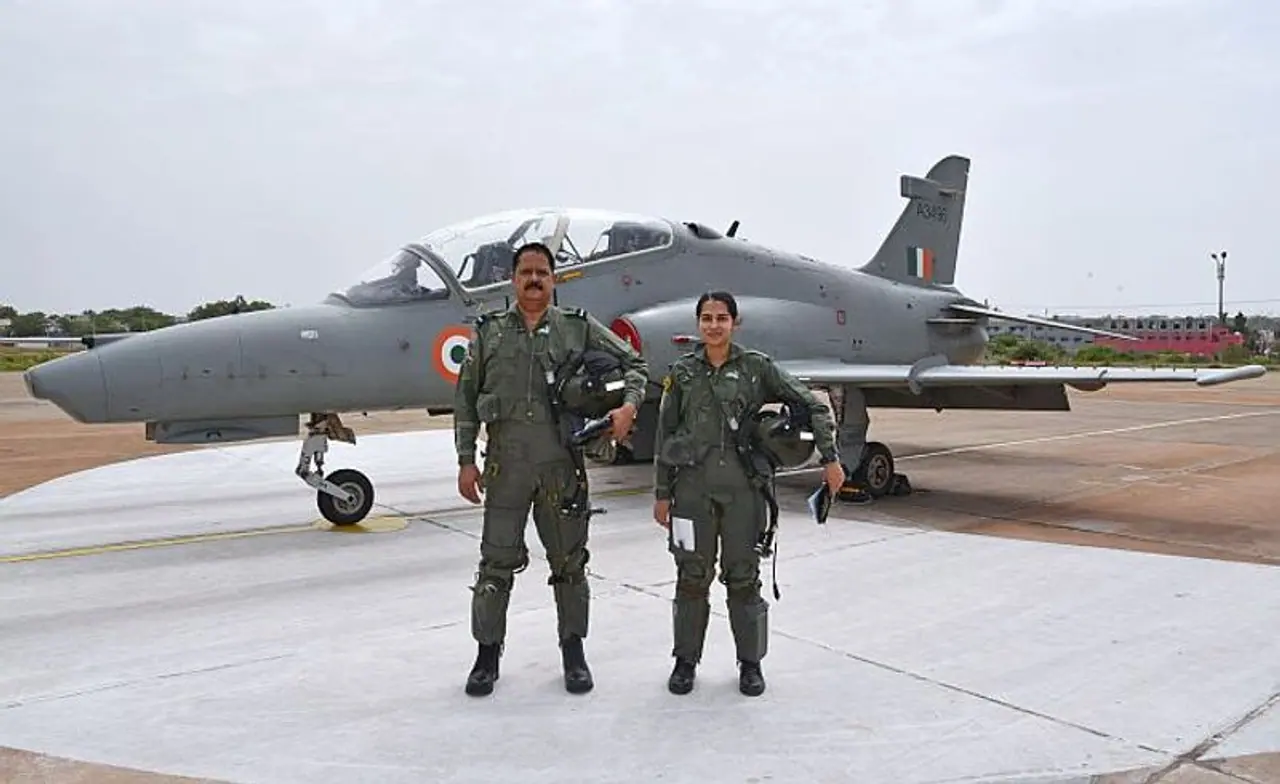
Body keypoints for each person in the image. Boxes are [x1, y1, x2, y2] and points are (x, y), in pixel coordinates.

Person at [453, 241, 650, 698]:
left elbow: (635, 364)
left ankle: (573, 651)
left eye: (543, 272)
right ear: (513, 280)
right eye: (526, 272)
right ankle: (487, 655)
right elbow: (465, 400)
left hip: (562, 468)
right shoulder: (490, 333)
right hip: (505, 469)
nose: (535, 279)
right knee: (494, 565)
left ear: (554, 278)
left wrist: (628, 407)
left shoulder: (577, 328)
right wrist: (466, 459)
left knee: (570, 564)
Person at [652, 290, 845, 697]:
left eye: (722, 318)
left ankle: (750, 664)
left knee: (743, 580)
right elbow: (665, 435)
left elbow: (813, 404)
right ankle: (685, 661)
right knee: (691, 578)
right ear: (697, 323)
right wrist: (661, 493)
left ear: (734, 323)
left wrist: (830, 458)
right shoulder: (683, 373)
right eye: (706, 318)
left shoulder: (757, 368)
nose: (714, 325)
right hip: (691, 493)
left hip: (743, 494)